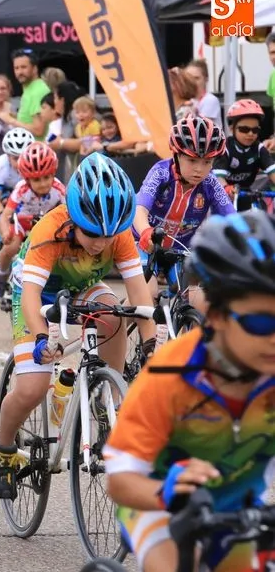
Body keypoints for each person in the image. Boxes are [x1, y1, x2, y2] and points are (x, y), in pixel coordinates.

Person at [104, 209, 275, 572]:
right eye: (261, 322)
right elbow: (119, 482)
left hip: (239, 511)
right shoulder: (170, 373)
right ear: (215, 317)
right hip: (157, 504)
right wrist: (166, 493)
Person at [0, 153, 157, 501]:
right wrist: (42, 337)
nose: (101, 242)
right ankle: (0, 447)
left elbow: (140, 299)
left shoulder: (118, 234)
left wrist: (153, 346)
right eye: (92, 233)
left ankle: (105, 399)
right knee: (33, 388)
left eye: (109, 236)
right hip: (38, 291)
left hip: (83, 287)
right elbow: (32, 298)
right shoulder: (51, 229)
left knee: (112, 312)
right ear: (74, 217)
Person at [133, 116, 234, 291]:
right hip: (144, 243)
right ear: (177, 155)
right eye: (192, 160)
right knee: (147, 294)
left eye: (207, 162)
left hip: (180, 250)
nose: (199, 169)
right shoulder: (161, 172)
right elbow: (139, 209)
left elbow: (233, 219)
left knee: (195, 296)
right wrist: (145, 231)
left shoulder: (210, 183)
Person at [0, 142, 66, 301]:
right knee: (11, 247)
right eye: (36, 180)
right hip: (22, 222)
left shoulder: (59, 189)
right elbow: (5, 215)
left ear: (54, 173)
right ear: (27, 179)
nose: (43, 183)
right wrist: (5, 232)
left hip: (46, 223)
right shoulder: (21, 189)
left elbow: (69, 215)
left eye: (47, 177)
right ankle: (1, 274)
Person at [213, 99, 275, 211]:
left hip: (246, 193)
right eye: (244, 129)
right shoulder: (225, 147)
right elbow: (218, 177)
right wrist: (227, 189)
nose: (250, 134)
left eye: (255, 130)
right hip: (224, 194)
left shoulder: (259, 148)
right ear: (232, 129)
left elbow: (273, 172)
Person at [0, 128, 35, 237]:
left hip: (26, 191)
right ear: (7, 156)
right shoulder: (0, 166)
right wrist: (3, 215)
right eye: (16, 158)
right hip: (6, 191)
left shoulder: (36, 164)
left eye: (24, 157)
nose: (21, 162)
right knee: (5, 215)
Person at [0, 48, 50, 140]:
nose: (19, 72)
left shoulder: (37, 91)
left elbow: (38, 130)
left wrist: (10, 120)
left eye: (24, 67)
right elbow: (30, 121)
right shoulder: (30, 89)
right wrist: (16, 118)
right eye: (16, 68)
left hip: (37, 150)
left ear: (34, 69)